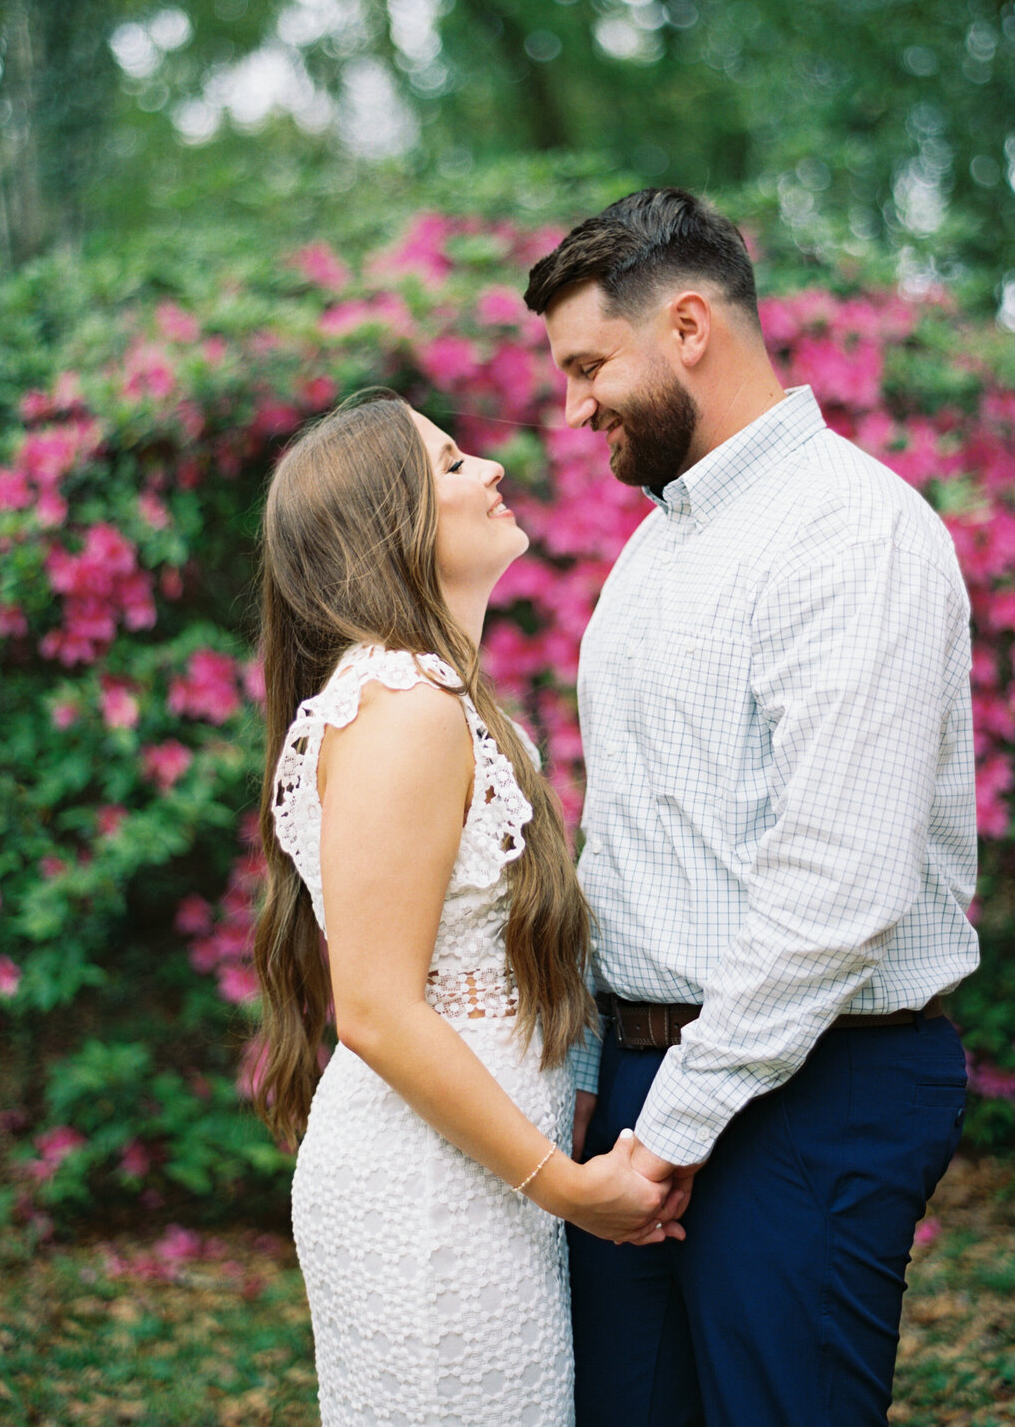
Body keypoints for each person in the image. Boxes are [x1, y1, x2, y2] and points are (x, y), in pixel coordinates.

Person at [523, 187, 981, 1427]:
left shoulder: (852, 535)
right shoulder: (654, 548)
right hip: (638, 1091)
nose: (572, 409)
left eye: (587, 365)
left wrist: (666, 1133)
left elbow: (837, 888)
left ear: (685, 326)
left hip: (815, 1094)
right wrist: (589, 1092)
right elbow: (624, 848)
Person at [250, 391, 675, 1427]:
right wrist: (570, 1189)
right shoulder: (402, 703)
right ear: (386, 528)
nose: (490, 467)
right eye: (449, 463)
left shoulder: (437, 695)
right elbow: (382, 1009)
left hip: (479, 1179)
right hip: (429, 1196)